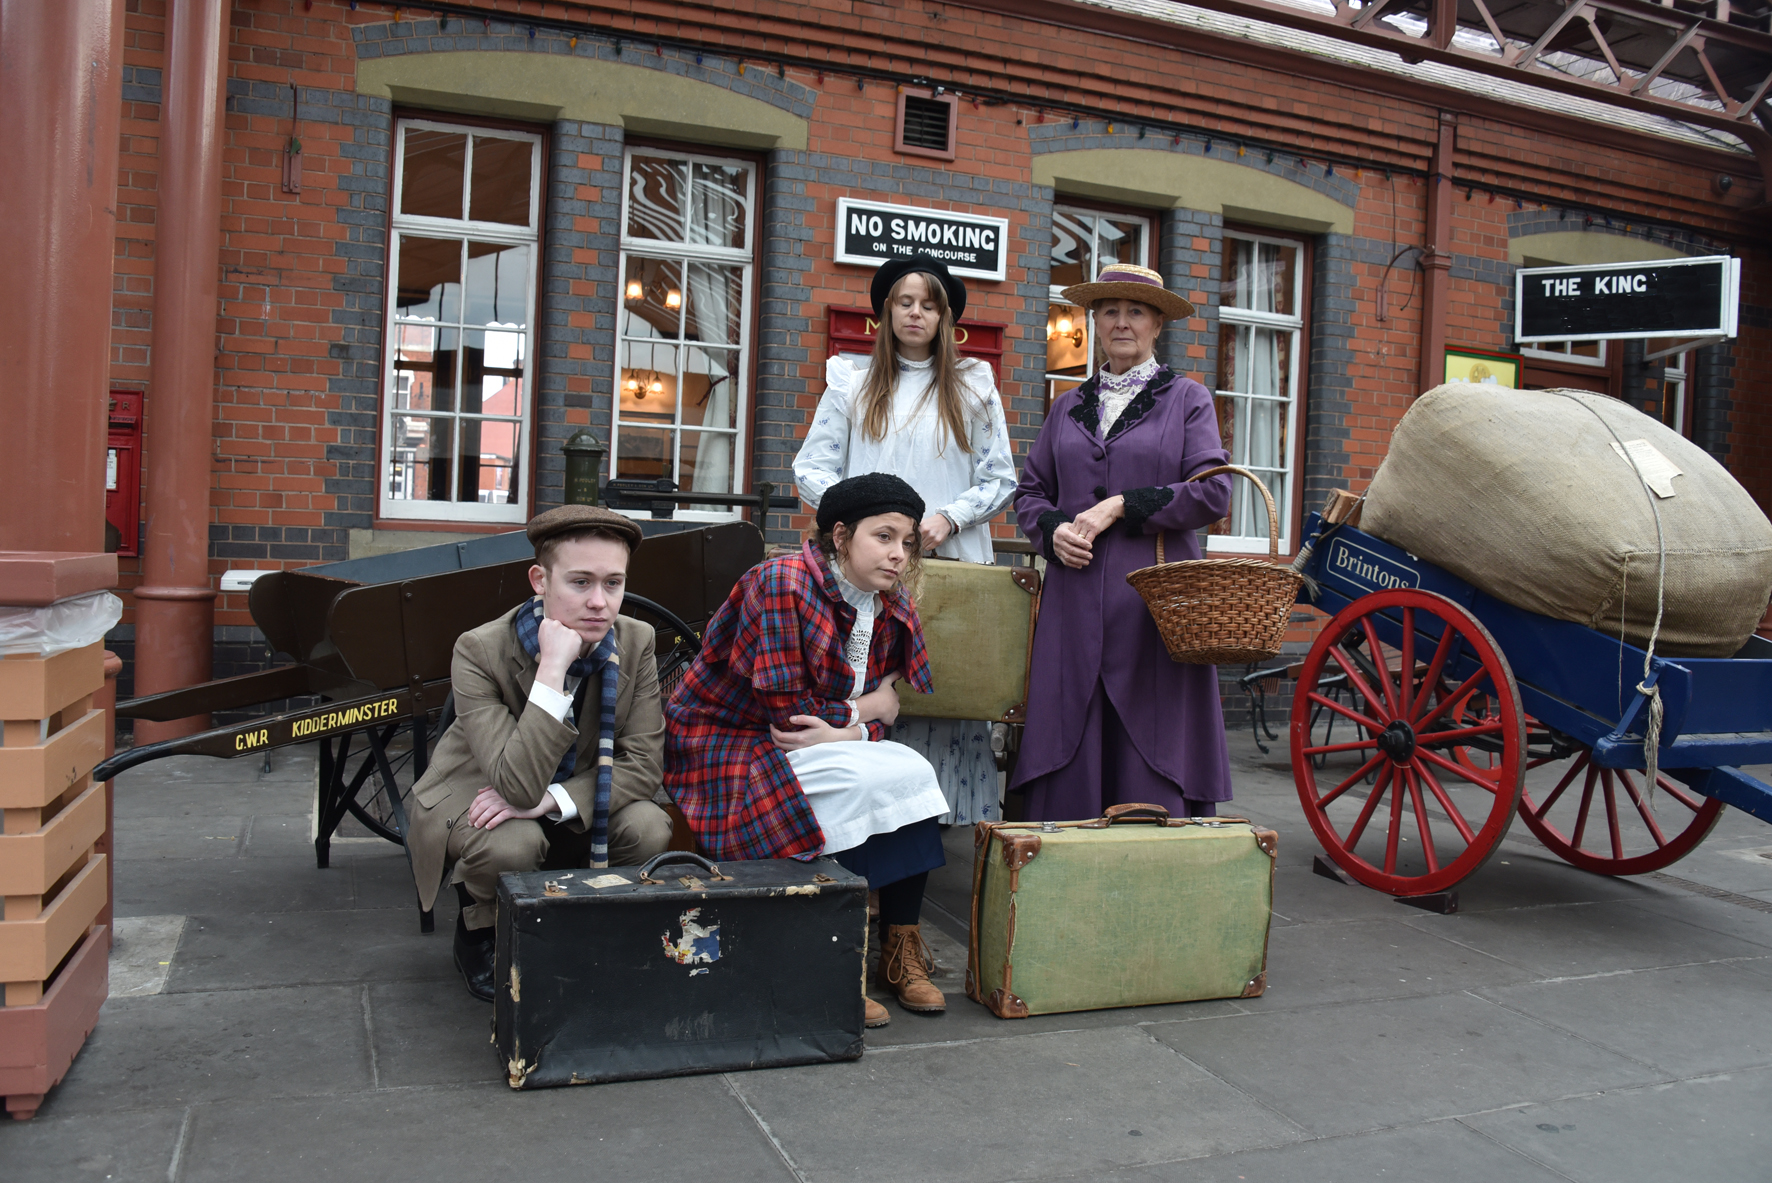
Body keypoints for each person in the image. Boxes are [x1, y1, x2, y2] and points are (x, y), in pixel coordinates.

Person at [665, 473, 950, 1028]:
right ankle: (838, 954)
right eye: (884, 536)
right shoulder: (782, 582)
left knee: (915, 773)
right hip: (728, 742)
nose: (898, 554)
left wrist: (852, 728)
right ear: (841, 536)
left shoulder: (888, 603)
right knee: (863, 782)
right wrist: (867, 716)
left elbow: (874, 708)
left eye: (907, 541)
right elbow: (791, 715)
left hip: (807, 737)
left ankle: (899, 947)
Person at [404, 505, 673, 1001]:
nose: (599, 602)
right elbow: (513, 786)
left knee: (649, 826)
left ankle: (593, 923)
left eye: (613, 583)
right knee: (512, 844)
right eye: (580, 582)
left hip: (559, 789)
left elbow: (643, 765)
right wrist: (552, 672)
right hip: (477, 790)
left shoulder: (637, 641)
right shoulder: (479, 649)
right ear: (539, 580)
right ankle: (480, 931)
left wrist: (552, 801)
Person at [795, 253, 1015, 827]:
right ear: (886, 312)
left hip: (948, 560)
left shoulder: (972, 385)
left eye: (929, 304)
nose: (916, 313)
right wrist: (861, 518)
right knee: (868, 682)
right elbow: (810, 468)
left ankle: (930, 834)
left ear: (946, 316)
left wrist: (949, 517)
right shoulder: (852, 381)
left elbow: (1000, 477)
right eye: (904, 301)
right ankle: (868, 827)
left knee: (944, 688)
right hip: (868, 567)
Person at [1011, 263, 1236, 820]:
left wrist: (1124, 504)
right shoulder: (1066, 406)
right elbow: (1030, 493)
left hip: (1152, 608)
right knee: (1072, 727)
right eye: (1110, 310)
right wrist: (1053, 530)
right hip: (1074, 603)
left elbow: (1214, 494)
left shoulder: (1187, 399)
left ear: (1157, 323)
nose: (1121, 322)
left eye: (1135, 311)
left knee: (1149, 736)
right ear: (1094, 320)